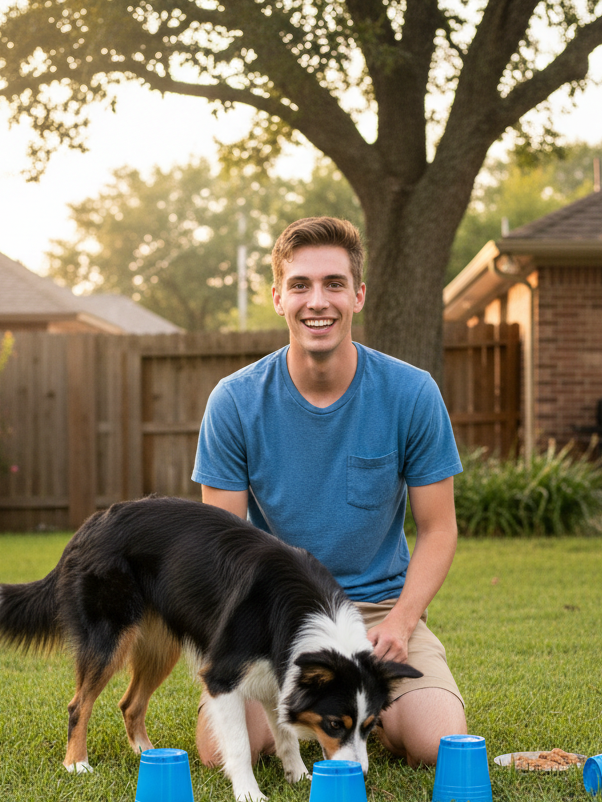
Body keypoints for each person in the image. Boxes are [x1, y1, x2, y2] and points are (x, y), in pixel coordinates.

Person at [191, 216, 466, 769]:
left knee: (438, 746)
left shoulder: (411, 392)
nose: (318, 301)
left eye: (334, 284)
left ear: (358, 294)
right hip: (276, 619)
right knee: (224, 753)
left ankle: (373, 711)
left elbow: (439, 529)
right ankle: (343, 711)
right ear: (278, 297)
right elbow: (223, 553)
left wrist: (403, 621)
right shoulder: (235, 402)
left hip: (380, 614)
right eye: (301, 285)